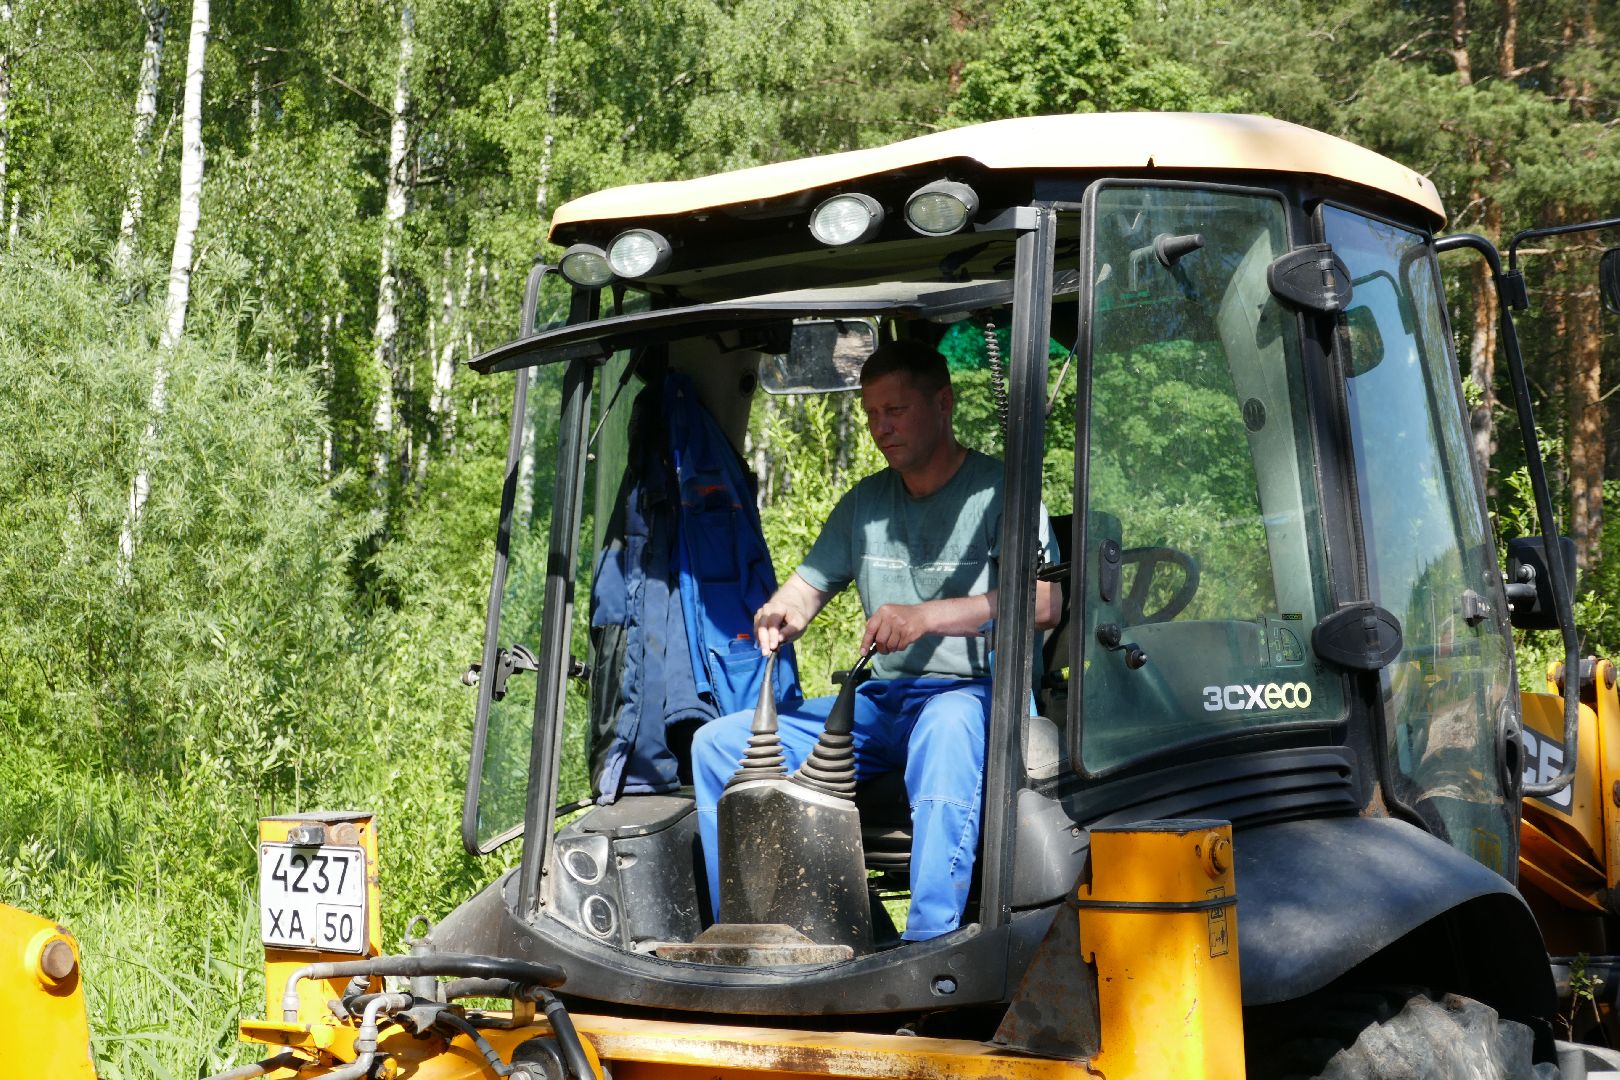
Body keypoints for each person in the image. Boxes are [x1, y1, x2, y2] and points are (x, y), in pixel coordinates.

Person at [691, 339, 1060, 941]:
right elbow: (806, 591)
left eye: (896, 411)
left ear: (943, 403)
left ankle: (929, 945)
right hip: (881, 705)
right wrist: (782, 612)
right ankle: (748, 931)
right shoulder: (865, 504)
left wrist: (926, 617)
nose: (880, 428)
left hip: (976, 698)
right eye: (870, 415)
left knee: (945, 730)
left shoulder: (1003, 493)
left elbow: (1047, 602)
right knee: (715, 747)